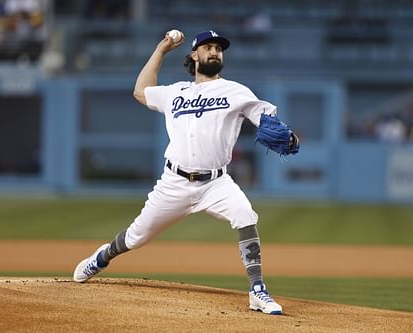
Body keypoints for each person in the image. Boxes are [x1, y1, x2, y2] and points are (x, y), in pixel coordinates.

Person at [73, 29, 299, 315]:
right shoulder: (176, 92)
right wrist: (161, 50)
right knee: (136, 237)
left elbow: (266, 117)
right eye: (208, 47)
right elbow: (140, 90)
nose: (215, 51)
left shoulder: (236, 92)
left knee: (245, 214)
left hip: (216, 183)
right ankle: (102, 257)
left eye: (219, 48)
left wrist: (288, 135)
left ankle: (257, 290)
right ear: (194, 55)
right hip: (174, 183)